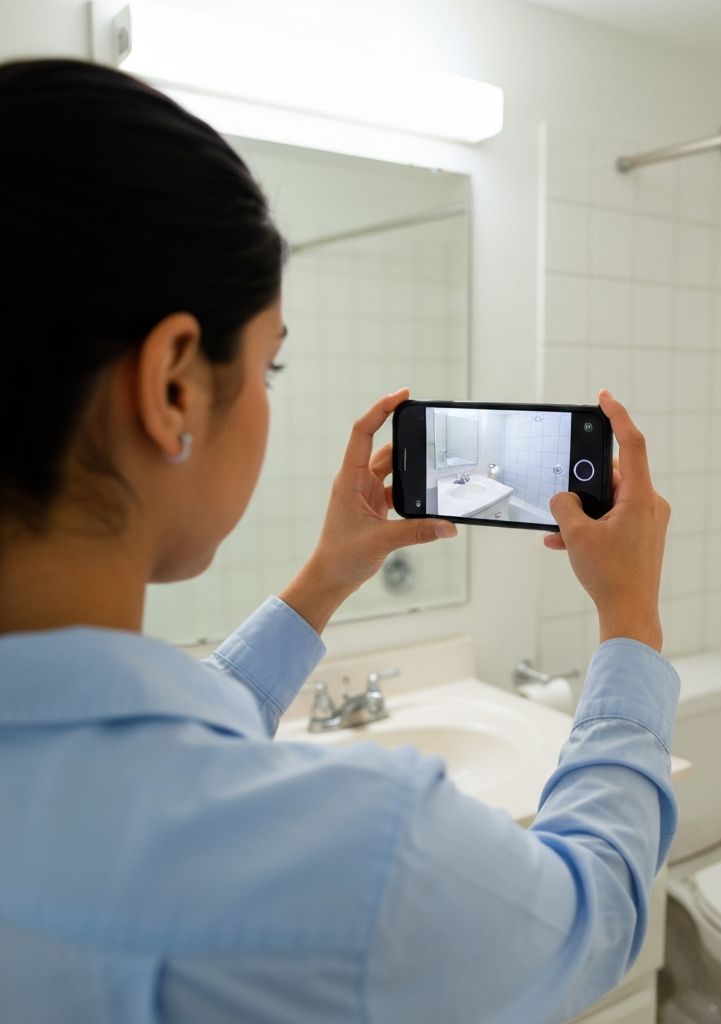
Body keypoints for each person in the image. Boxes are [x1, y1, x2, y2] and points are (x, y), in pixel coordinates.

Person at [0, 59, 677, 1023]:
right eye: (270, 363)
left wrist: (328, 575)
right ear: (174, 386)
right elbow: (594, 911)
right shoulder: (362, 852)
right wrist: (630, 617)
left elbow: (181, 730)